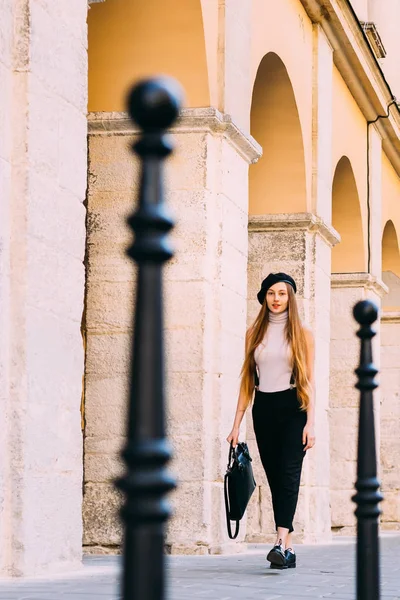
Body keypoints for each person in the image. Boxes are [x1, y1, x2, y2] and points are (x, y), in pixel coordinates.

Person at [227, 272, 315, 570]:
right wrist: (236, 425)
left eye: (282, 293)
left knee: (289, 474)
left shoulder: (303, 333)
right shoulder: (253, 333)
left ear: (291, 297)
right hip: (263, 408)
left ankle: (279, 541)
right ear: (264, 297)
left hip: (293, 407)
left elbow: (309, 381)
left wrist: (311, 423)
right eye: (271, 294)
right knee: (276, 477)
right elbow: (246, 382)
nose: (277, 299)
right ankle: (287, 550)